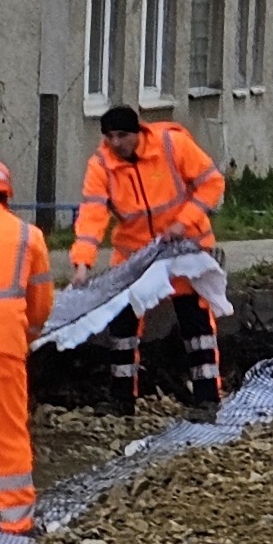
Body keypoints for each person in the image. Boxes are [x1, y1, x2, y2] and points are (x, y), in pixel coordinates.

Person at [72, 104, 225, 412]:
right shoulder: (101, 165)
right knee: (122, 325)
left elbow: (212, 183)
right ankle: (121, 399)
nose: (116, 143)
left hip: (185, 248)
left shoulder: (172, 144)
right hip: (135, 254)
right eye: (110, 137)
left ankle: (207, 398)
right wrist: (82, 263)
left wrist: (184, 221)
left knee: (195, 323)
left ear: (138, 132)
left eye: (122, 135)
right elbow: (92, 215)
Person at [0, 160, 51, 536]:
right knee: (7, 429)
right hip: (1, 342)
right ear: (6, 195)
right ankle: (16, 520)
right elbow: (41, 304)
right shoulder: (27, 236)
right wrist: (29, 335)